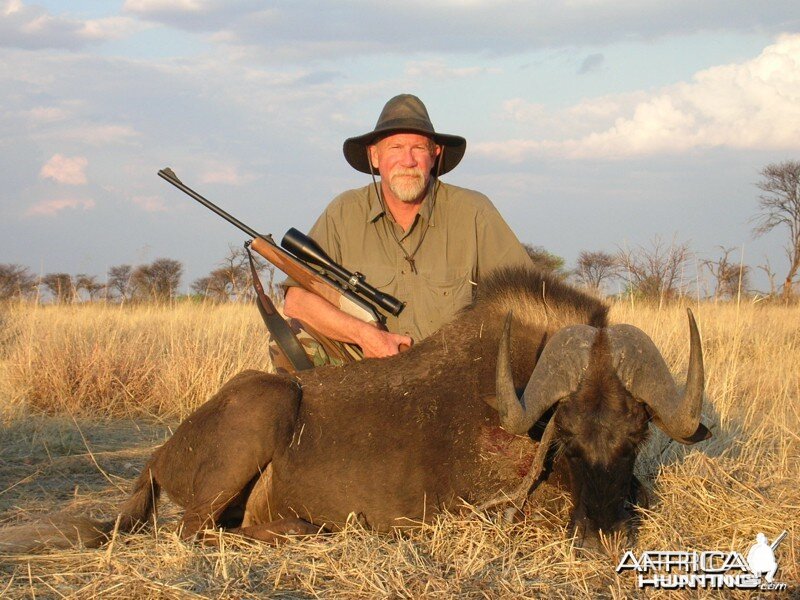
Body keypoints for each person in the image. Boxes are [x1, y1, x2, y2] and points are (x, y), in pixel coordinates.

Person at [278, 94, 531, 367]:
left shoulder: (474, 211)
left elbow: (530, 296)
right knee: (290, 336)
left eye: (418, 148)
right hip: (369, 366)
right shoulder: (343, 212)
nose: (408, 161)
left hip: (454, 373)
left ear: (435, 155)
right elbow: (296, 301)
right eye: (396, 147)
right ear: (375, 156)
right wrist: (365, 336)